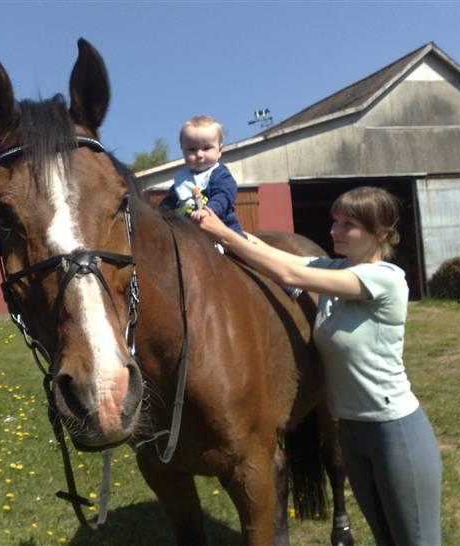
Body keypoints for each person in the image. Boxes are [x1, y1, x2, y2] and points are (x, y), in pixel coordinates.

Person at [196, 186, 442, 546]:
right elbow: (273, 254)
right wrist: (225, 225)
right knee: (386, 537)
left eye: (348, 225)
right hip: (353, 433)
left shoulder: (385, 278)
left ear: (380, 234)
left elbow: (290, 275)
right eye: (335, 221)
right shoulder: (336, 266)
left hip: (394, 432)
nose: (334, 231)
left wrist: (221, 233)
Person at [160, 115, 244, 236]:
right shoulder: (181, 181)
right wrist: (159, 213)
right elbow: (168, 203)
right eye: (192, 149)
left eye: (206, 148)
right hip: (189, 231)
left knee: (237, 249)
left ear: (219, 150)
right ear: (183, 150)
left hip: (223, 229)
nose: (199, 154)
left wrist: (209, 210)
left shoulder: (220, 174)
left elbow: (224, 196)